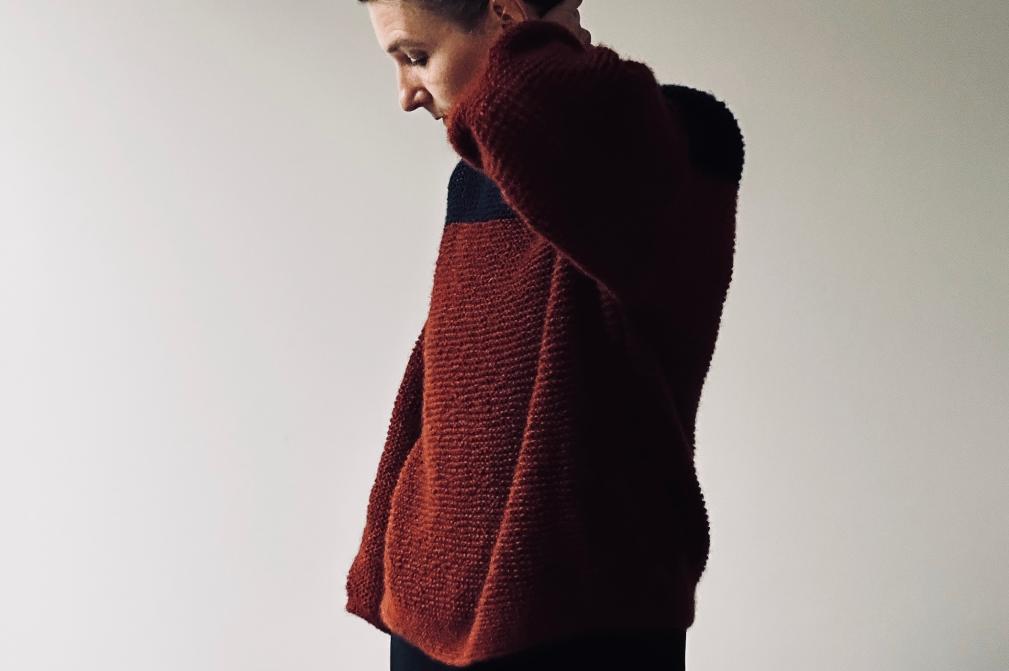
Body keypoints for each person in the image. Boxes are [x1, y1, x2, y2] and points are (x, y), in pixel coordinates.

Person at [346, 1, 745, 668]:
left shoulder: (680, 137)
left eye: (416, 57)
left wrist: (528, 35)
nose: (406, 95)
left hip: (590, 621)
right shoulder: (474, 180)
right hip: (428, 609)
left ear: (506, 17)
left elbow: (542, 112)